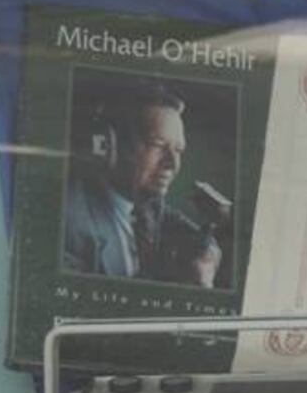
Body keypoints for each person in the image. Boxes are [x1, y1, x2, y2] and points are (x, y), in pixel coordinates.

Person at [63, 81, 222, 288]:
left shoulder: (148, 205)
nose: (172, 164)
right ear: (109, 144)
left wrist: (208, 255)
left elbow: (194, 238)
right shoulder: (68, 223)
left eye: (178, 150)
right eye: (157, 145)